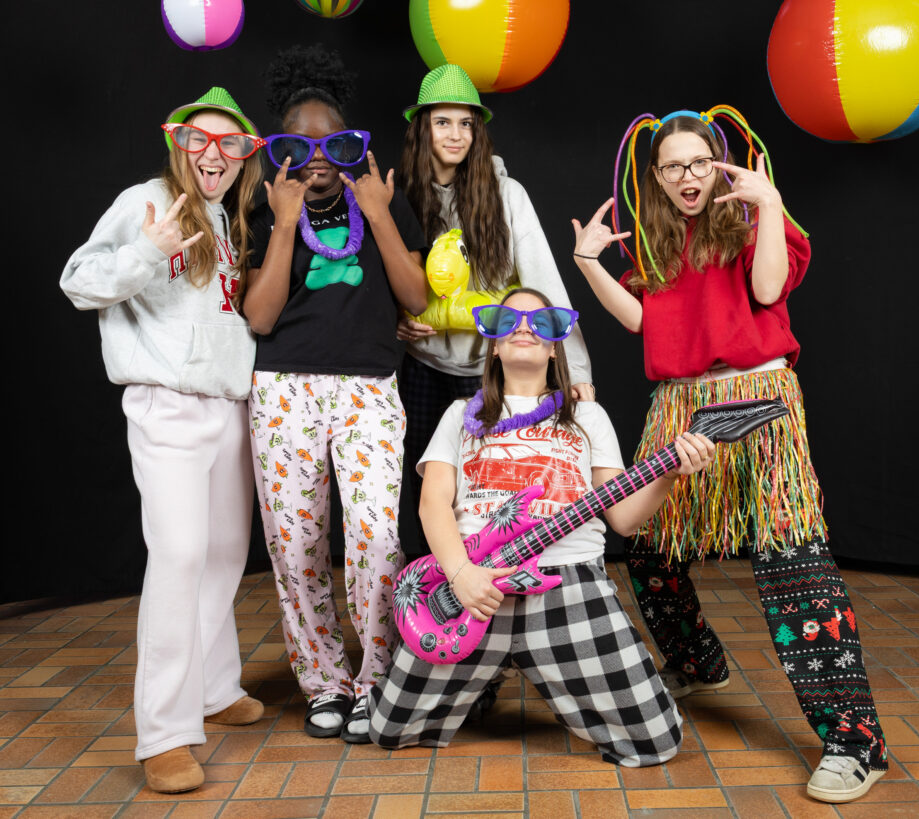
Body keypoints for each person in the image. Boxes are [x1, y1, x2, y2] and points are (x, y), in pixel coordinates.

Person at [570, 108, 887, 802]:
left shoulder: (752, 220)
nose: (687, 176)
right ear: (657, 177)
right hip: (680, 408)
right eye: (673, 167)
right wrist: (588, 262)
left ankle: (854, 742)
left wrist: (769, 203)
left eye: (698, 162)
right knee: (649, 548)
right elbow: (645, 321)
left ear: (718, 164)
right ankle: (696, 662)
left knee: (791, 560)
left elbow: (769, 289)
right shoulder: (656, 243)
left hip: (760, 400)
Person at [368, 288, 715, 767]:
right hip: (472, 582)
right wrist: (461, 575)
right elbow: (432, 506)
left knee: (657, 740)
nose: (525, 328)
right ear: (494, 344)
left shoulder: (587, 416)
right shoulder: (459, 415)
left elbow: (624, 518)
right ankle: (486, 675)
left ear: (555, 347)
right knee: (389, 729)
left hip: (567, 581)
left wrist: (671, 473)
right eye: (509, 321)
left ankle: (501, 675)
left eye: (542, 322)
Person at [60, 87, 266, 793]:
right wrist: (147, 252)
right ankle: (166, 735)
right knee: (178, 555)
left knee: (223, 553)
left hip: (229, 405)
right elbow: (79, 282)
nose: (215, 154)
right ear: (177, 144)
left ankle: (213, 686)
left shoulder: (231, 217)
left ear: (244, 156)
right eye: (199, 140)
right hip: (167, 405)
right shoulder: (144, 201)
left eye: (230, 144)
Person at [244, 45, 427, 743]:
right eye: (299, 145)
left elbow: (416, 295)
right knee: (297, 547)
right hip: (284, 389)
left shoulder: (384, 200)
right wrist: (285, 223)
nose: (317, 158)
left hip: (368, 389)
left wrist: (379, 215)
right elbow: (261, 317)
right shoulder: (263, 211)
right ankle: (323, 680)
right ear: (280, 150)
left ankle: (376, 678)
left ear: (351, 146)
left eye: (333, 143)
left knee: (376, 538)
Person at [395, 63, 594, 556]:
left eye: (466, 123)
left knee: (490, 490)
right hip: (422, 368)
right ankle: (432, 590)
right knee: (423, 489)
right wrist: (394, 318)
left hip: (489, 368)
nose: (455, 134)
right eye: (443, 122)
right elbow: (385, 275)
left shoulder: (507, 195)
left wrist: (575, 370)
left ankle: (492, 588)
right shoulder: (401, 196)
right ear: (422, 128)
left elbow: (545, 284)